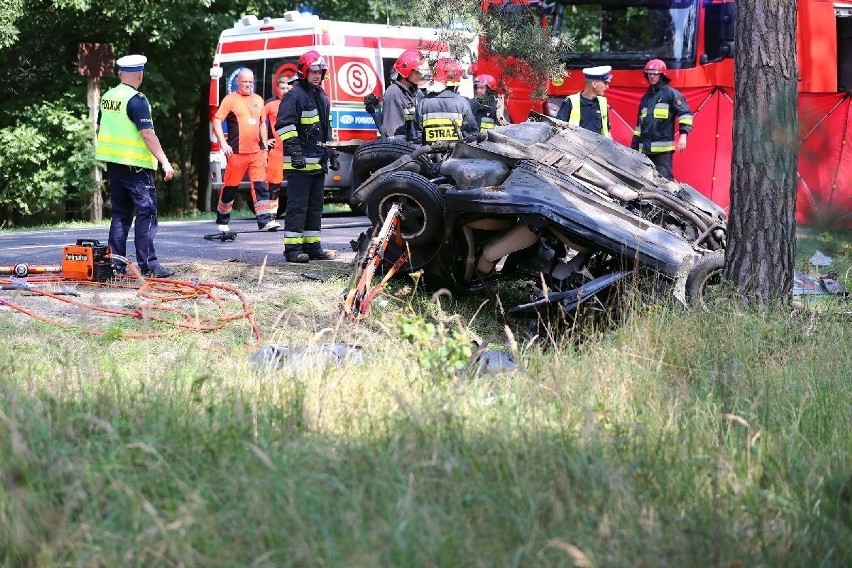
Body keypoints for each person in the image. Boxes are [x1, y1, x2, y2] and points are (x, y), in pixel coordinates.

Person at [95, 54, 175, 278]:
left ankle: (115, 265)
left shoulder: (108, 97)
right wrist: (164, 161)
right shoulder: (137, 100)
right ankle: (149, 265)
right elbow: (147, 134)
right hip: (136, 167)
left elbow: (100, 129)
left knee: (120, 215)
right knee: (146, 212)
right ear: (140, 75)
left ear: (121, 74)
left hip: (115, 165)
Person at [274, 50, 338, 263]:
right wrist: (296, 152)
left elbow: (325, 127)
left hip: (318, 162)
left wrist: (332, 152)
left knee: (315, 207)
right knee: (297, 206)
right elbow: (284, 125)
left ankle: (312, 246)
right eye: (313, 71)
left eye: (320, 71)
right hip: (300, 163)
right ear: (303, 72)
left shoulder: (321, 95)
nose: (317, 75)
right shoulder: (294, 95)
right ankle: (292, 250)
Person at [212, 68, 280, 232]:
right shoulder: (230, 99)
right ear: (238, 82)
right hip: (236, 153)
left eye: (251, 82)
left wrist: (264, 145)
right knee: (230, 187)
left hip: (256, 153)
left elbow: (262, 124)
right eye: (245, 82)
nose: (248, 85)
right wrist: (224, 143)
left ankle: (265, 221)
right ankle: (222, 220)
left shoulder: (258, 99)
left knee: (260, 186)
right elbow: (216, 121)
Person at [631, 59, 693, 181]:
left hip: (662, 153)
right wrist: (633, 147)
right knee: (644, 182)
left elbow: (685, 113)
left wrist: (683, 135)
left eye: (655, 73)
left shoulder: (671, 94)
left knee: (665, 184)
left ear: (662, 75)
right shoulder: (646, 98)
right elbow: (639, 126)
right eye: (649, 73)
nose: (652, 76)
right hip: (644, 150)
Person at [414, 58, 478, 144]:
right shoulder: (462, 103)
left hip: (427, 156)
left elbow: (416, 138)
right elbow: (472, 136)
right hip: (455, 156)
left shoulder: (423, 103)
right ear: (456, 83)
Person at [379, 49, 429, 141]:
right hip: (401, 149)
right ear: (406, 70)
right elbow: (394, 134)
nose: (420, 74)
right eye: (416, 71)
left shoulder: (416, 92)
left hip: (414, 147)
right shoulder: (394, 92)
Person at [264, 73, 296, 214]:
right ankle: (272, 215)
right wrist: (264, 141)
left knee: (297, 183)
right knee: (274, 184)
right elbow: (259, 124)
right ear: (277, 89)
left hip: (294, 149)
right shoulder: (270, 104)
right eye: (282, 88)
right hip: (277, 151)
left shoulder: (297, 102)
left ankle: (296, 213)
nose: (285, 91)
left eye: (287, 88)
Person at [556, 66, 613, 138]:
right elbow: (557, 128)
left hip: (598, 148)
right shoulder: (570, 102)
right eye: (605, 83)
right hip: (576, 148)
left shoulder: (602, 102)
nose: (607, 86)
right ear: (594, 84)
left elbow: (607, 131)